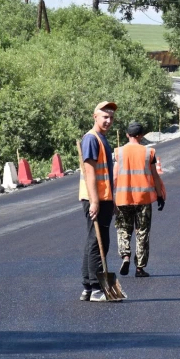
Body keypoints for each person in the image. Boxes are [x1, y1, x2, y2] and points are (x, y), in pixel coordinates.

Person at [113, 121, 166, 278]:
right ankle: (140, 268)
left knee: (123, 229)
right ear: (141, 135)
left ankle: (125, 256)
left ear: (127, 135)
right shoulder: (148, 152)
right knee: (142, 232)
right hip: (143, 199)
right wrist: (160, 194)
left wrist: (111, 197)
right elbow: (155, 175)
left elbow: (115, 176)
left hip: (122, 199)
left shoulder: (119, 152)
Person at [78, 101, 118, 302]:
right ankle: (95, 287)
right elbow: (90, 172)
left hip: (104, 198)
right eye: (105, 116)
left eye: (111, 117)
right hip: (96, 199)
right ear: (95, 117)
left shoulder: (102, 139)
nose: (108, 120)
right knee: (97, 241)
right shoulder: (91, 139)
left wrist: (113, 200)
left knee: (95, 240)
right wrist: (95, 201)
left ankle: (87, 286)